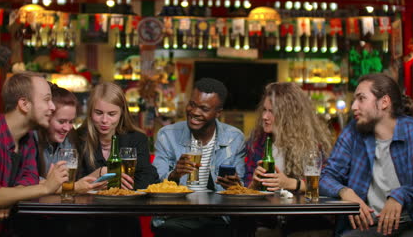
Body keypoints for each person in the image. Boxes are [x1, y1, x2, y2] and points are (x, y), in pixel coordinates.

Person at [0, 72, 68, 237]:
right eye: (46, 99)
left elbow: (28, 179)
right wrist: (46, 187)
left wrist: (8, 197)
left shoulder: (28, 137)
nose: (52, 106)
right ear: (24, 104)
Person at [320, 73, 413, 237]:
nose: (354, 106)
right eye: (354, 100)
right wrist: (345, 192)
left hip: (409, 225)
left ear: (384, 102)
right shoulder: (352, 132)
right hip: (364, 227)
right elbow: (326, 177)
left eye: (361, 99)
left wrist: (401, 195)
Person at [152, 77, 246, 237]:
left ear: (218, 112)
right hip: (176, 214)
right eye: (192, 105)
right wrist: (174, 175)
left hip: (217, 216)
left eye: (204, 108)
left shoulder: (234, 138)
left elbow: (241, 189)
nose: (195, 112)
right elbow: (154, 186)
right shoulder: (167, 135)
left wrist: (235, 186)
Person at [244, 82, 334, 236]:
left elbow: (327, 185)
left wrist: (290, 183)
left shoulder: (312, 144)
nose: (264, 117)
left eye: (272, 112)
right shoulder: (257, 142)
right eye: (264, 110)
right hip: (266, 220)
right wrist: (254, 184)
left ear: (289, 115)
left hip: (303, 221)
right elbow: (245, 188)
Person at [78, 82, 159, 237]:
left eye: (111, 114)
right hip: (86, 220)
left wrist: (114, 186)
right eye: (98, 113)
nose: (104, 120)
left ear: (122, 113)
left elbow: (148, 179)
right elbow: (73, 183)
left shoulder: (137, 139)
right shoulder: (79, 137)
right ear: (90, 112)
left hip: (125, 220)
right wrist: (101, 173)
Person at [35, 83, 106, 193]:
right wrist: (74, 187)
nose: (67, 128)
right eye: (61, 121)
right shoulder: (32, 138)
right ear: (47, 116)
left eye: (71, 121)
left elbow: (67, 183)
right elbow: (28, 184)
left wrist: (98, 174)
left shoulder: (70, 138)